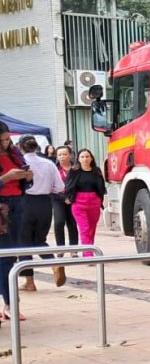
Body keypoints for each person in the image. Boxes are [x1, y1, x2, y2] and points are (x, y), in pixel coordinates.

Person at [17, 137, 60, 292]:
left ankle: (29, 281)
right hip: (45, 203)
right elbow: (59, 186)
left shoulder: (20, 164)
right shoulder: (49, 163)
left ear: (20, 147)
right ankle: (53, 262)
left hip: (25, 203)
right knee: (40, 240)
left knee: (24, 243)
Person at [0, 122, 33, 321]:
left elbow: (26, 183)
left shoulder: (14, 151)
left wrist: (27, 176)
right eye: (2, 140)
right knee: (6, 257)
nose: (6, 143)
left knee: (10, 255)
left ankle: (9, 304)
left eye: (7, 138)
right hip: (2, 206)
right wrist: (5, 178)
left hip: (18, 203)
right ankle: (10, 303)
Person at [64, 149, 107, 260]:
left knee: (92, 230)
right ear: (78, 159)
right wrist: (68, 198)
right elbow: (68, 186)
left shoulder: (96, 171)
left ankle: (89, 249)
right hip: (79, 203)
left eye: (87, 156)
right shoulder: (74, 171)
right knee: (84, 229)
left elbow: (101, 187)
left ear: (91, 158)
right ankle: (88, 255)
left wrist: (101, 199)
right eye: (82, 157)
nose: (85, 159)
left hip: (94, 203)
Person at [50, 146, 77, 284]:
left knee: (72, 223)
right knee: (59, 222)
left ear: (70, 155)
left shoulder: (76, 169)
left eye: (64, 154)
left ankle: (73, 249)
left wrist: (71, 198)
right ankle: (60, 249)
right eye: (59, 154)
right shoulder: (54, 169)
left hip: (73, 200)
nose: (61, 157)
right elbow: (51, 187)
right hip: (58, 199)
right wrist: (63, 198)